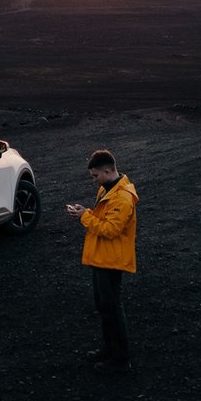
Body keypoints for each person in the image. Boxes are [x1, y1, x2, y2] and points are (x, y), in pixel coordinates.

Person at [67, 148, 139, 373]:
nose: (94, 180)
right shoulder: (107, 189)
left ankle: (120, 359)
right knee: (104, 306)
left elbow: (110, 229)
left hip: (112, 260)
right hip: (102, 257)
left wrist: (84, 217)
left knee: (112, 308)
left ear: (107, 171)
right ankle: (110, 349)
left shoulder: (122, 198)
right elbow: (103, 218)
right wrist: (86, 211)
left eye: (95, 176)